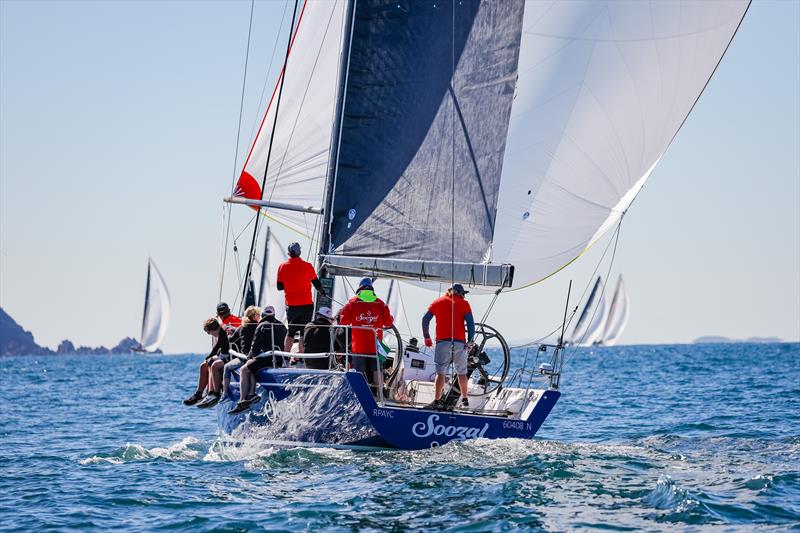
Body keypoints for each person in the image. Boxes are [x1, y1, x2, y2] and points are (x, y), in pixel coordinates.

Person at [422, 283, 475, 409]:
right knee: (462, 372)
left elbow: (425, 319)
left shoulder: (437, 302)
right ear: (461, 293)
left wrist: (426, 337)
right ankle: (465, 399)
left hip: (442, 342)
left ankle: (436, 400)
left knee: (441, 373)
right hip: (459, 343)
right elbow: (471, 325)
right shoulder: (465, 304)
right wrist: (470, 342)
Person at [228, 305, 287, 414]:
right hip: (279, 360)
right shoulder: (282, 326)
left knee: (244, 369)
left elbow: (255, 348)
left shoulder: (261, 326)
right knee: (252, 366)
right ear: (274, 315)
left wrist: (250, 356)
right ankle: (251, 395)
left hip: (267, 360)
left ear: (263, 315)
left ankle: (243, 401)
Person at [338, 278, 393, 391]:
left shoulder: (352, 303)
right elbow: (388, 322)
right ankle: (379, 394)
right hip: (376, 345)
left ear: (359, 289)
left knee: (359, 372)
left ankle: (359, 393)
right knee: (377, 370)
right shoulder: (381, 303)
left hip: (358, 346)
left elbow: (344, 322)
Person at [276, 242, 324, 353]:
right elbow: (316, 283)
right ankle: (302, 357)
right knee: (304, 332)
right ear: (300, 252)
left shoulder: (282, 267)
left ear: (288, 253)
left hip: (292, 306)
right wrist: (322, 292)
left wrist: (290, 283)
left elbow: (279, 287)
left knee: (291, 332)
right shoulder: (308, 266)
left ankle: (285, 356)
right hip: (306, 304)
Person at [184, 318, 231, 408]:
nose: (210, 334)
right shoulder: (219, 333)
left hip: (230, 358)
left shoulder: (224, 333)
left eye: (208, 333)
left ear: (212, 330)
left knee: (213, 364)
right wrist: (208, 358)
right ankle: (199, 394)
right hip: (224, 357)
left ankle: (213, 393)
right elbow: (216, 349)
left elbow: (225, 353)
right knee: (203, 365)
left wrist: (213, 358)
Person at [221, 305, 260, 401]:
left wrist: (229, 333)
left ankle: (225, 394)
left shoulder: (241, 327)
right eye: (258, 314)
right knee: (250, 369)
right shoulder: (260, 327)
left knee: (227, 367)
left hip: (244, 358)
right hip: (256, 357)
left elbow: (231, 340)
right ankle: (250, 394)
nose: (260, 316)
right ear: (254, 316)